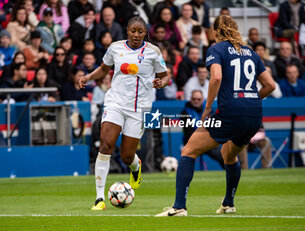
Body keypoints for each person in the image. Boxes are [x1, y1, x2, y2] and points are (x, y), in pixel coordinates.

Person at [156, 15, 275, 217]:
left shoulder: (215, 49)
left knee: (189, 151)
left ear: (217, 31)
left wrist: (207, 107)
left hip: (230, 112)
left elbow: (216, 77)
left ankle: (179, 207)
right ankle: (228, 204)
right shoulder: (251, 53)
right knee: (229, 155)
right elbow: (270, 85)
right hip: (254, 115)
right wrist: (252, 99)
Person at [79, 16, 169, 211]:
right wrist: (89, 77)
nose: (136, 35)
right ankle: (99, 199)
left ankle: (136, 169)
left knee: (127, 156)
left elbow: (165, 75)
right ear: (127, 31)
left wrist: (162, 82)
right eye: (133, 31)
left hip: (141, 108)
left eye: (140, 31)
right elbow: (104, 69)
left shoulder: (154, 52)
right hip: (115, 102)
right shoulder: (115, 48)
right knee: (105, 144)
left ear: (146, 33)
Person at [181, 90, 225, 169]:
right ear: (190, 99)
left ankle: (231, 176)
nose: (196, 101)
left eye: (198, 99)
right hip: (191, 142)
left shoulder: (209, 110)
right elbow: (188, 133)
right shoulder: (185, 112)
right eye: (194, 99)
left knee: (224, 157)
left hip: (208, 141)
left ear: (203, 100)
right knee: (186, 160)